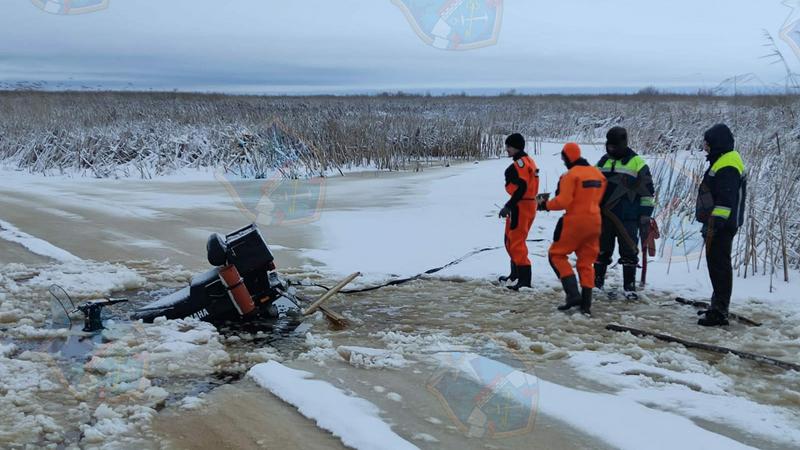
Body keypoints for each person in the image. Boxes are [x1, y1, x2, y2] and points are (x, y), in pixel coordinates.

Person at [539, 143, 606, 315]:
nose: (564, 162)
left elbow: (563, 201)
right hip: (595, 222)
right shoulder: (598, 174)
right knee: (586, 262)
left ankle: (573, 294)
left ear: (567, 157)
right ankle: (586, 304)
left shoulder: (571, 175)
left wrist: (545, 205)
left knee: (556, 255)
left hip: (575, 221)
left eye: (563, 159)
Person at [595, 127, 655, 300]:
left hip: (628, 217)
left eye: (614, 146)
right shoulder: (602, 162)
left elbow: (648, 193)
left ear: (623, 144)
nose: (611, 149)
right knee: (601, 251)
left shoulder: (637, 163)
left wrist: (645, 215)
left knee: (629, 252)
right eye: (609, 146)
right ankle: (596, 284)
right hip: (604, 216)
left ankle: (629, 288)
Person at [695, 124, 746, 327]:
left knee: (719, 266)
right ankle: (717, 305)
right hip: (718, 223)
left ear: (716, 143)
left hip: (722, 225)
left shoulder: (728, 164)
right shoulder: (723, 160)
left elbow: (725, 200)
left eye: (707, 143)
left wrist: (715, 224)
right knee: (716, 265)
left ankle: (719, 312)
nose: (705, 147)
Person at [498, 133, 540, 290]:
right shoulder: (528, 161)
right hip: (526, 204)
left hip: (521, 205)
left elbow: (522, 187)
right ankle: (514, 274)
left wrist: (509, 205)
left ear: (515, 147)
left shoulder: (520, 164)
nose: (506, 149)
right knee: (509, 239)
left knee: (516, 241)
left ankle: (524, 280)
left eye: (508, 146)